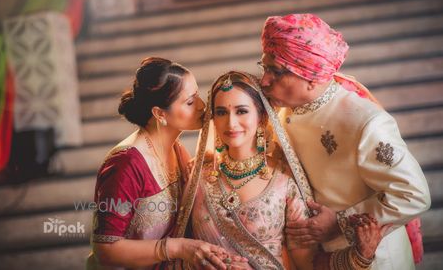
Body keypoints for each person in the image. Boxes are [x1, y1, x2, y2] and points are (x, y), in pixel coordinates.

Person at [259, 14, 431, 269]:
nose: (264, 81)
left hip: (375, 257)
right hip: (320, 257)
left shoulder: (365, 122)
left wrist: (340, 223)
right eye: (264, 68)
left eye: (276, 71)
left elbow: (413, 194)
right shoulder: (284, 109)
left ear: (311, 76)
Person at [174, 71, 387, 269]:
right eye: (221, 112)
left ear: (262, 118)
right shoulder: (198, 174)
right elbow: (179, 246)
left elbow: (308, 263)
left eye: (241, 111)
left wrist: (359, 256)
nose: (231, 122)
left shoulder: (284, 181)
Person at [86, 57, 246, 270]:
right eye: (189, 102)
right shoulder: (126, 164)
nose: (201, 106)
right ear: (160, 113)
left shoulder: (176, 150)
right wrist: (176, 248)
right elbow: (106, 249)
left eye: (197, 95)